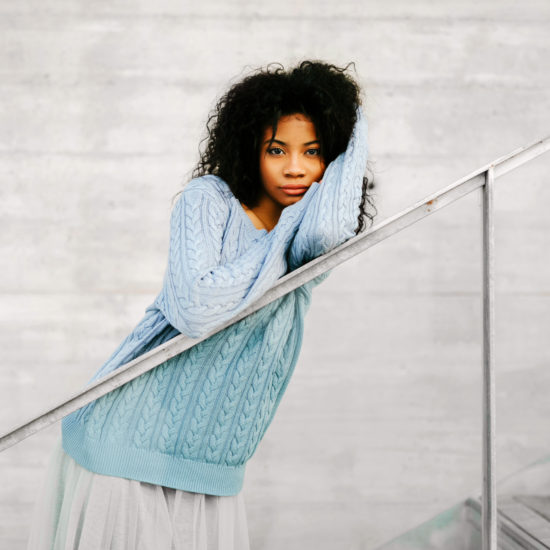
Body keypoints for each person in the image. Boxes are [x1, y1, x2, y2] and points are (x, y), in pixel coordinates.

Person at [27, 60, 376, 550]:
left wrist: (354, 120)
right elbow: (196, 307)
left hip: (211, 462)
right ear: (251, 148)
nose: (295, 167)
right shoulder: (208, 200)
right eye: (277, 150)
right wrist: (280, 236)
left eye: (314, 153)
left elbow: (328, 227)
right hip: (124, 441)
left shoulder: (307, 241)